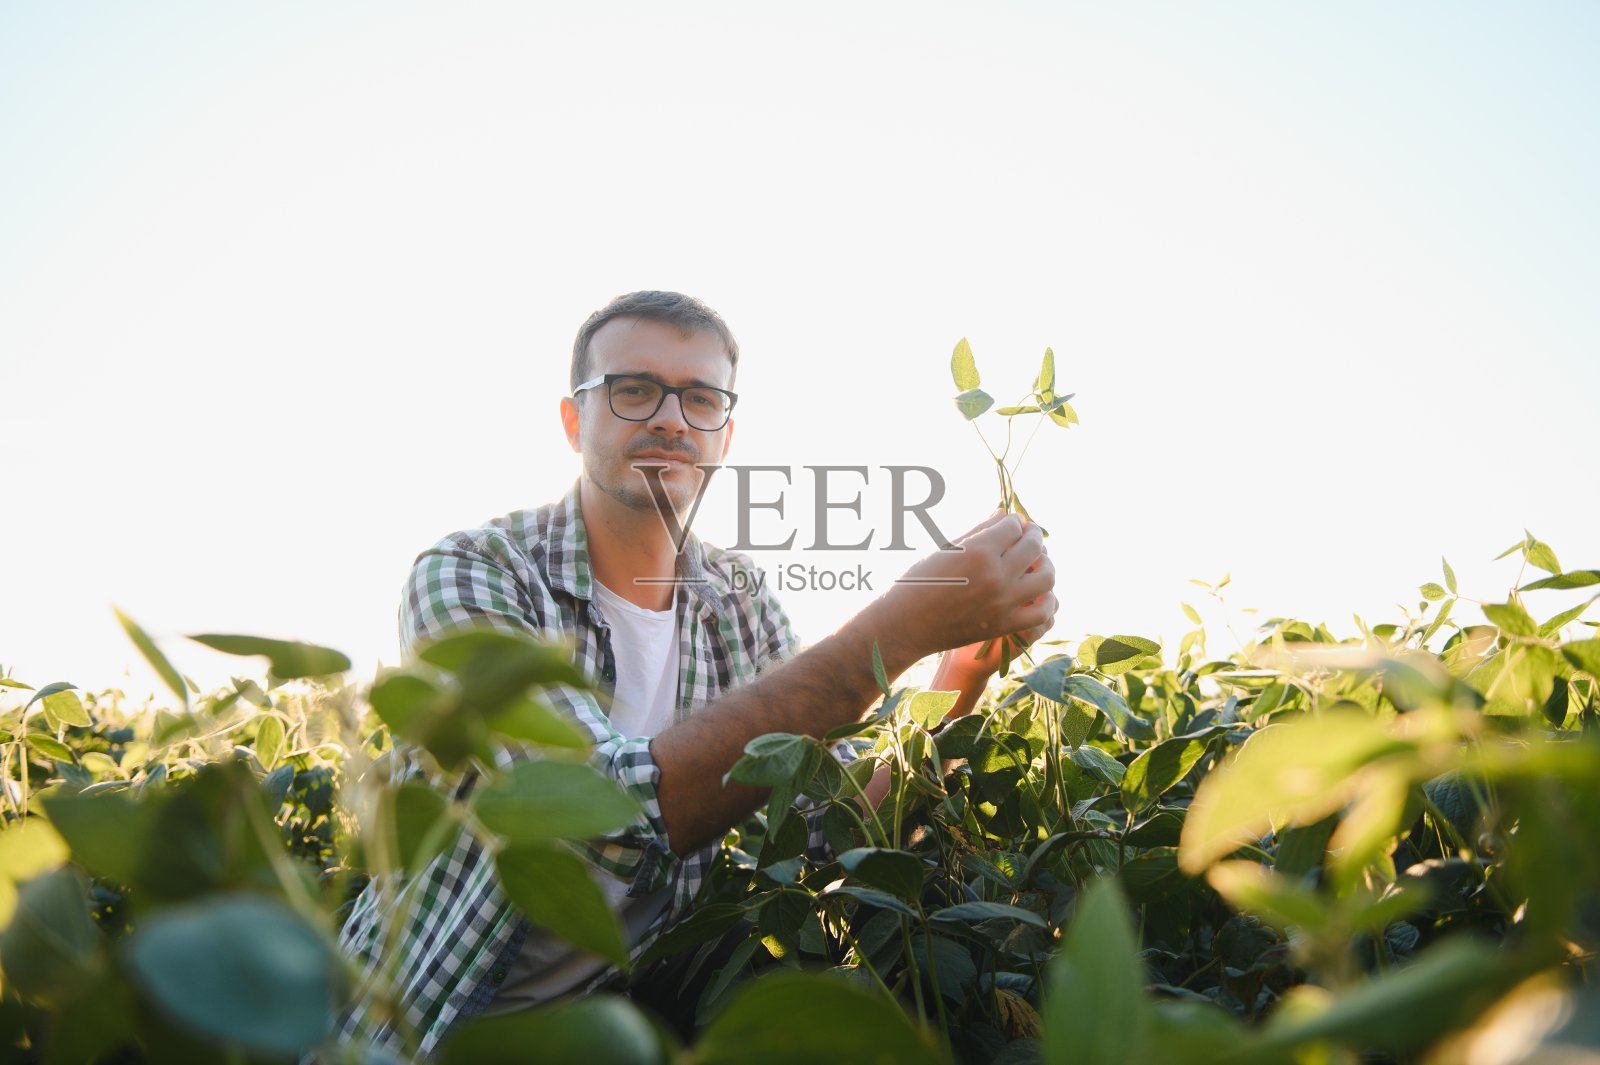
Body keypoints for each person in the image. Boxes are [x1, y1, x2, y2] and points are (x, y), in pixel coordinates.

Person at [330, 291, 1056, 1057]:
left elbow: (840, 828)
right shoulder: (474, 573)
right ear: (575, 421)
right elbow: (599, 814)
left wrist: (960, 664)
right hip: (423, 1032)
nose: (671, 418)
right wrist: (899, 624)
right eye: (634, 389)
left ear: (724, 435)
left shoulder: (741, 611)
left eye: (701, 398)